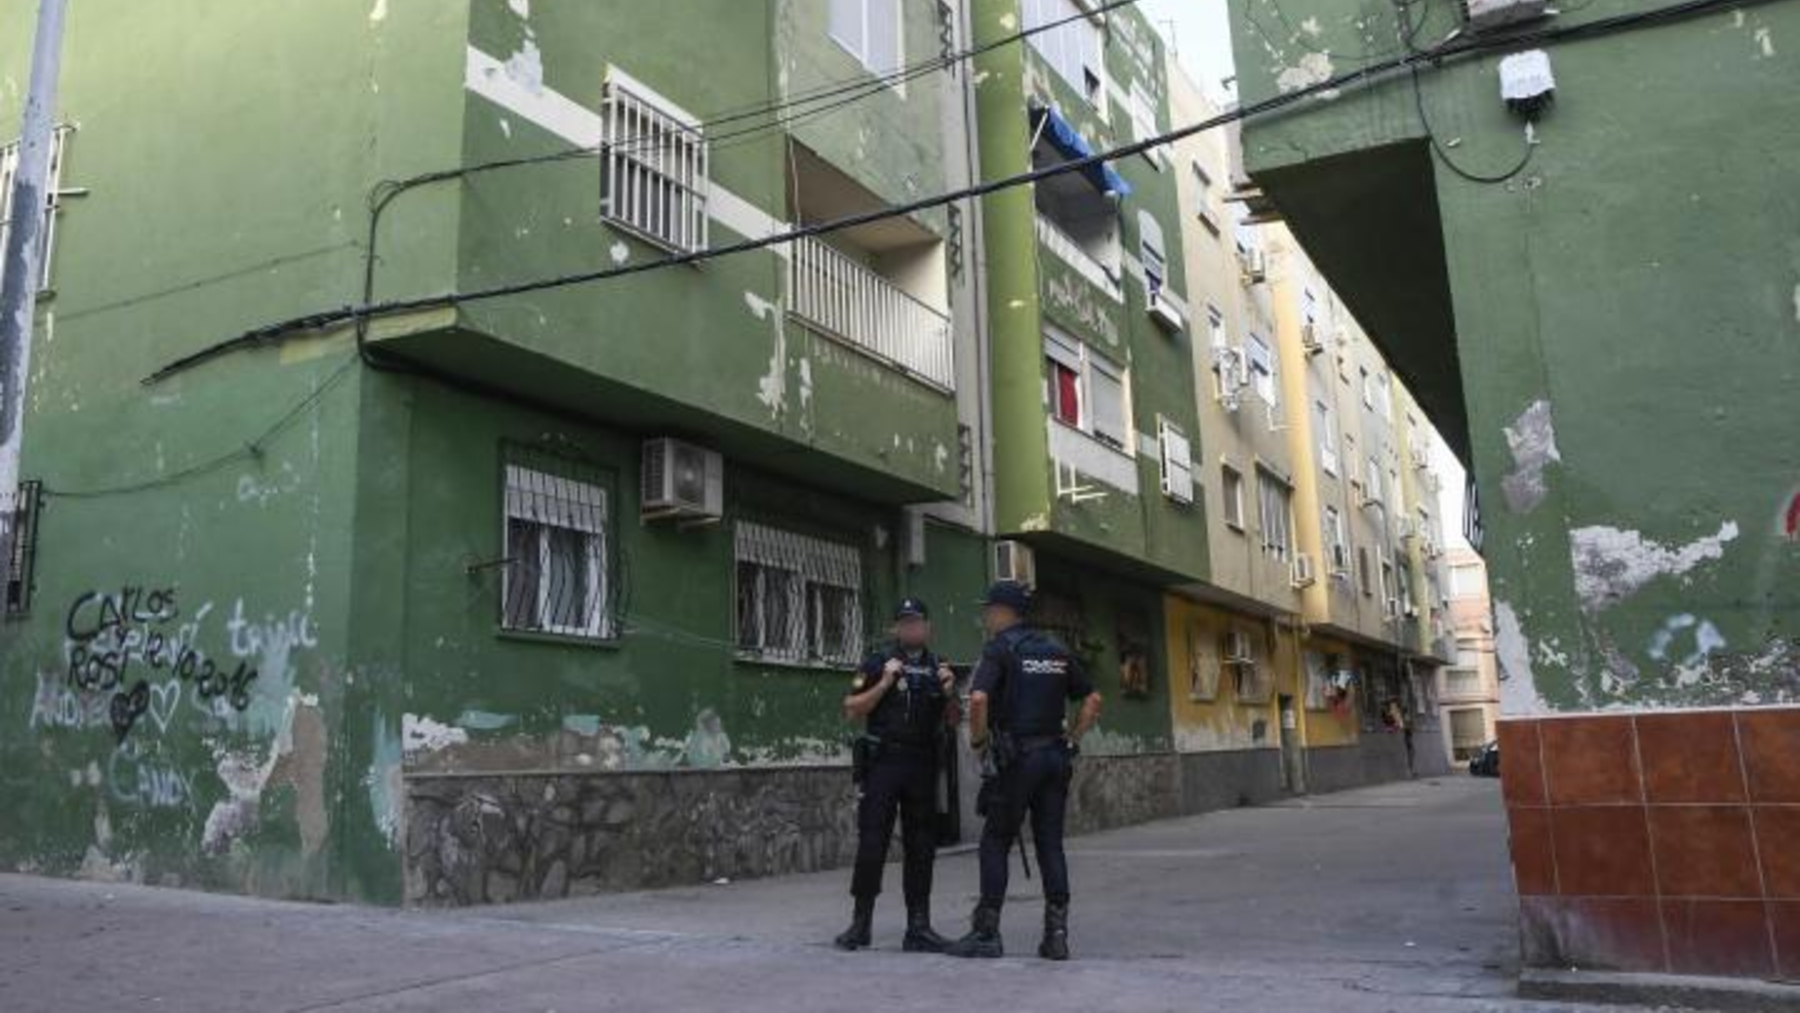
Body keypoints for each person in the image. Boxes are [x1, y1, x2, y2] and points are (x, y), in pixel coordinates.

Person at [947, 581, 1102, 961]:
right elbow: (1093, 699)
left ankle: (986, 933)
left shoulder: (1000, 648)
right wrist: (1073, 740)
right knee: (1050, 842)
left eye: (989, 610)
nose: (986, 617)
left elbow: (979, 698)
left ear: (1003, 612)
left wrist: (979, 743)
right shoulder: (1057, 649)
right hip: (1055, 758)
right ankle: (1056, 935)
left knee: (995, 840)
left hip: (1017, 761)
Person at [834, 597, 957, 953]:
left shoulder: (939, 666)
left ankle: (918, 926)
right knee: (873, 842)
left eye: (916, 622)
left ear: (927, 627)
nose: (910, 628)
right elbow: (851, 708)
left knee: (922, 847)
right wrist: (885, 681)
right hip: (884, 763)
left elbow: (953, 720)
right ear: (896, 628)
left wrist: (950, 692)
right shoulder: (877, 662)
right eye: (904, 623)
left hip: (922, 764)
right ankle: (861, 924)